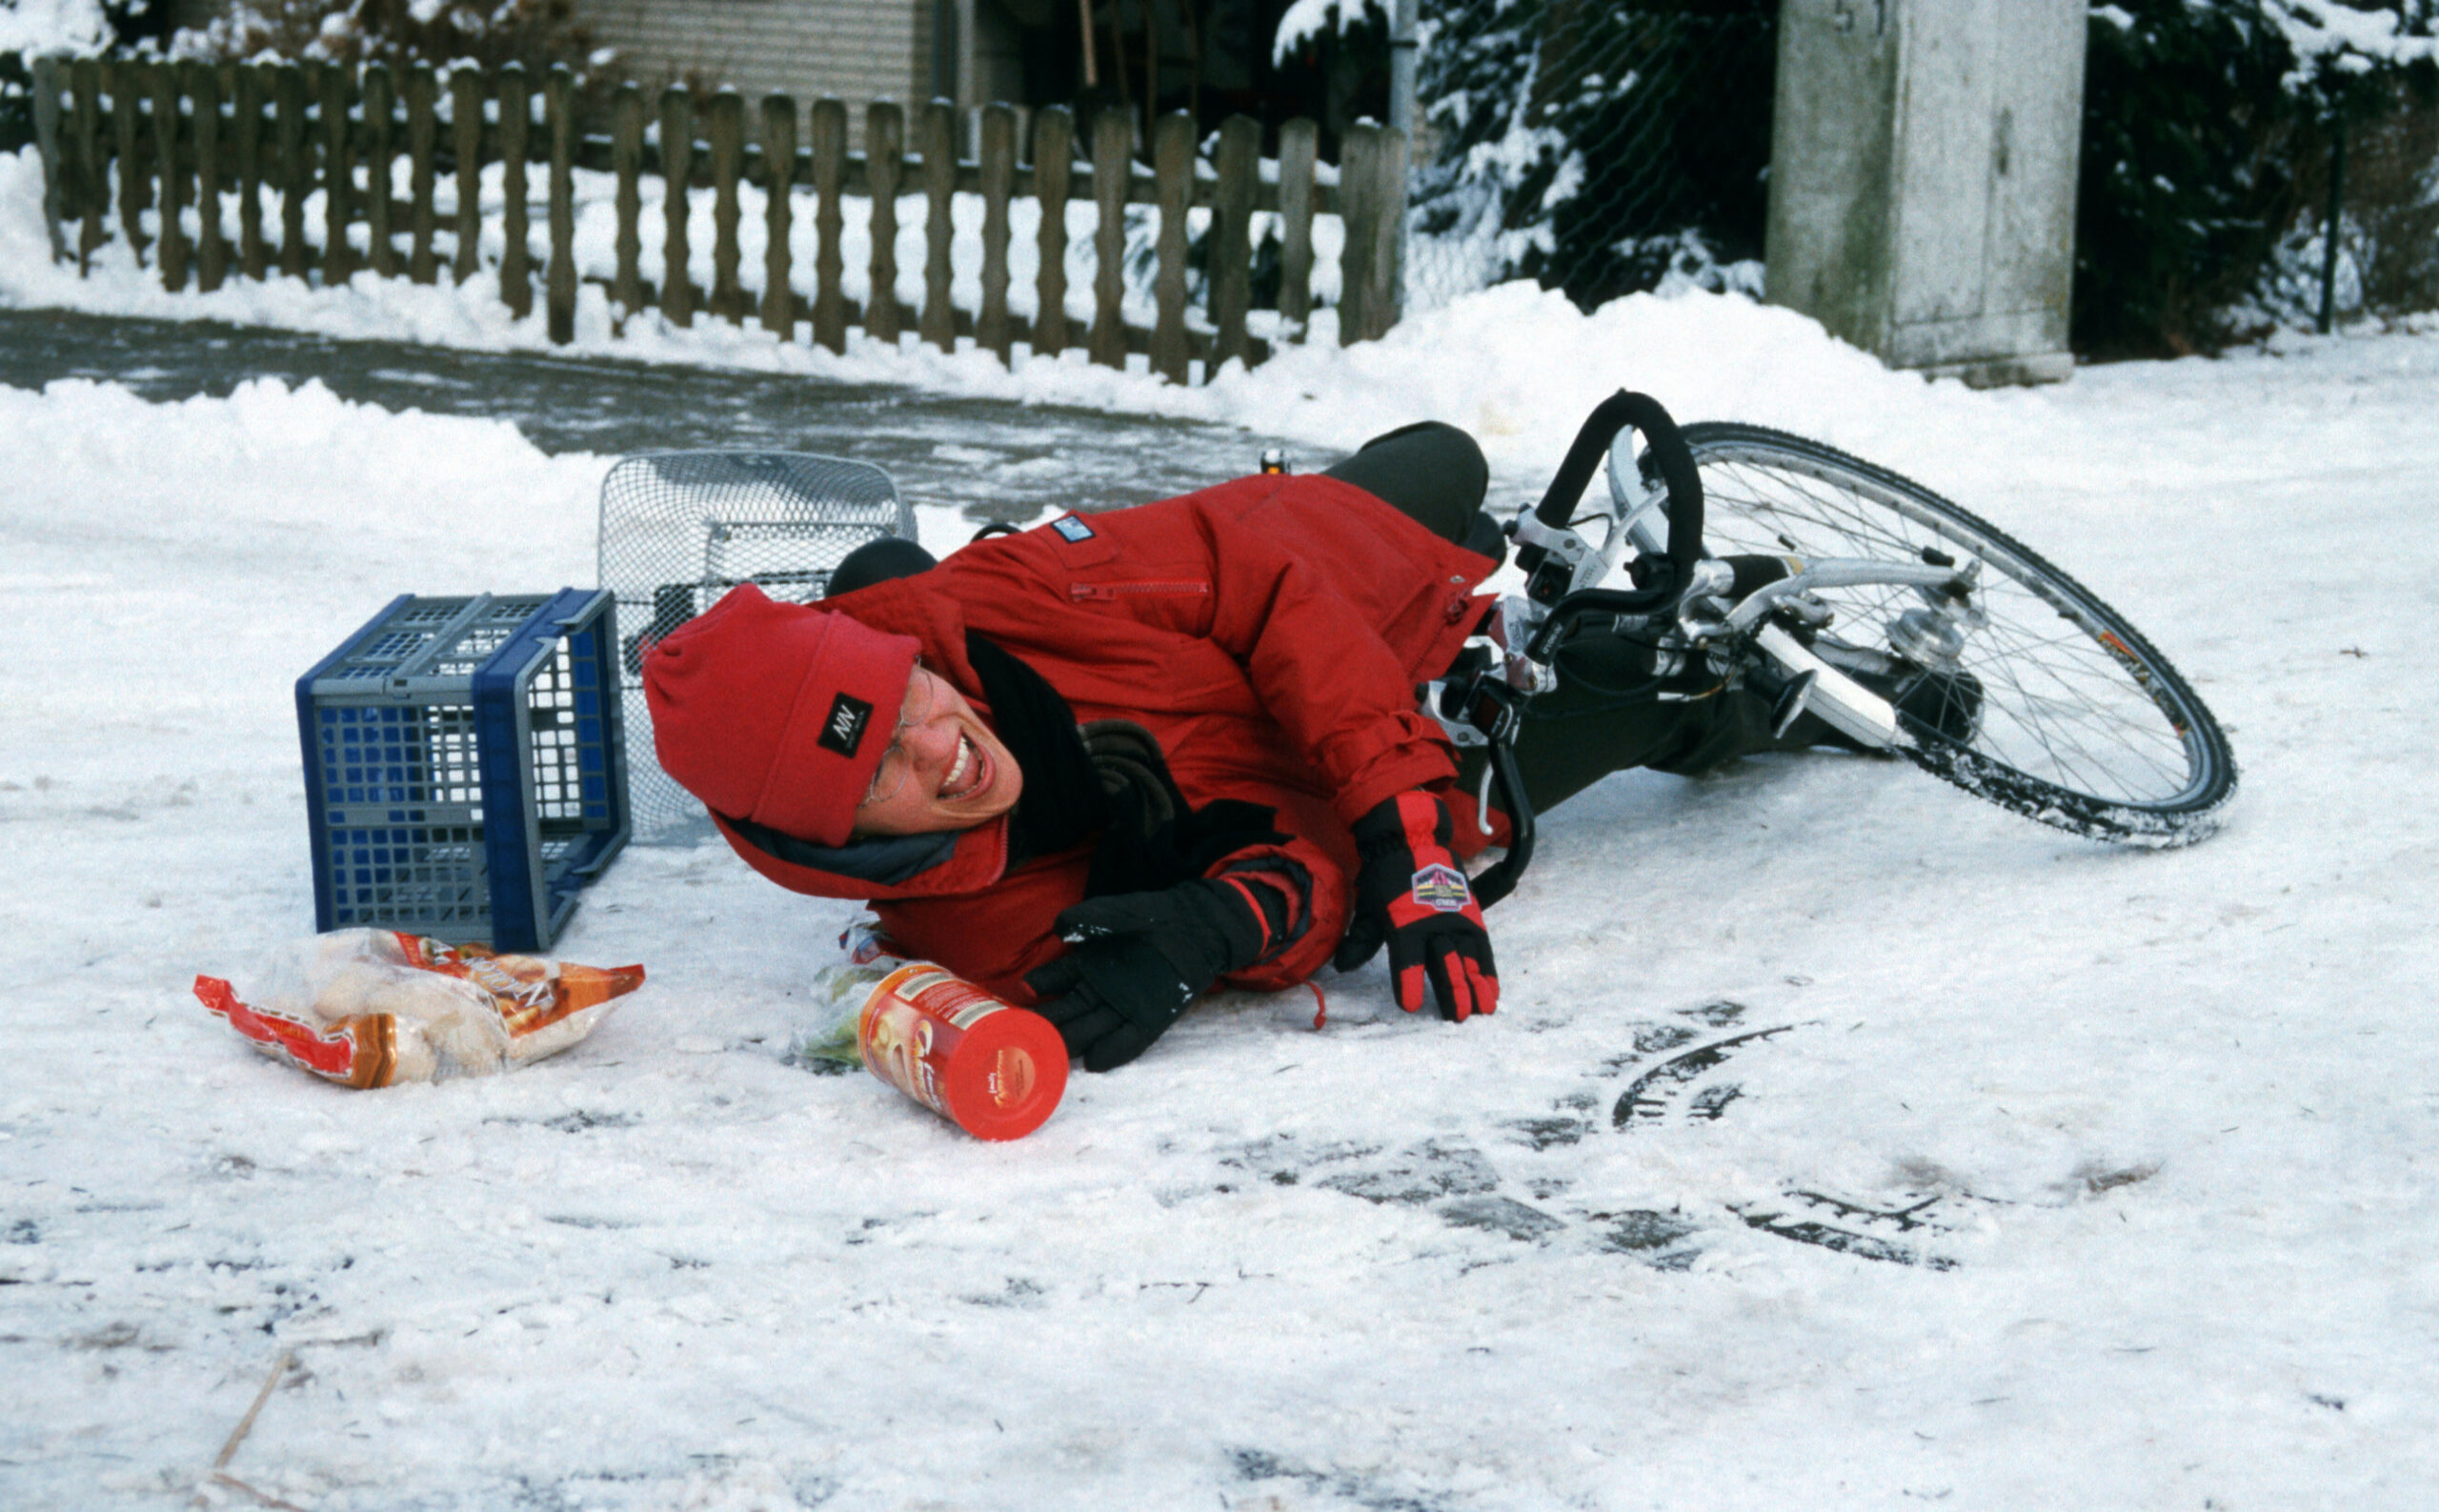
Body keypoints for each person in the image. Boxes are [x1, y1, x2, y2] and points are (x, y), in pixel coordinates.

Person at [641, 424, 1843, 1071]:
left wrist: (1407, 840)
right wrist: (1213, 929)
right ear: (839, 842)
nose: (942, 746)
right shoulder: (987, 936)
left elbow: (1261, 579)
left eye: (905, 695)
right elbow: (1305, 877)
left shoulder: (992, 598)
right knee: (1654, 685)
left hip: (1322, 599)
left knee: (1445, 459)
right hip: (1412, 743)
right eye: (880, 773)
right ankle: (1800, 682)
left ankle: (1481, 573)